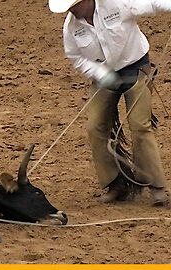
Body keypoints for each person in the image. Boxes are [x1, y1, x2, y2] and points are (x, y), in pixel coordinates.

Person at [49, 0, 171, 205]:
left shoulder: (117, 3)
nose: (71, 11)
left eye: (74, 5)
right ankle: (115, 183)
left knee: (140, 125)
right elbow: (76, 57)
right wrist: (99, 73)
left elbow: (152, 3)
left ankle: (156, 186)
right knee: (95, 127)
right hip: (104, 75)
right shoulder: (71, 27)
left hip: (136, 68)